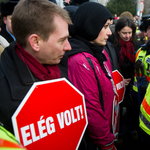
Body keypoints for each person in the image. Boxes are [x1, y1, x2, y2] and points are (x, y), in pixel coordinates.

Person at [0, 0, 72, 135]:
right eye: (62, 40)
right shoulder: (3, 90)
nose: (69, 47)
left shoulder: (63, 63)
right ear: (35, 42)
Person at [66, 2, 117, 150]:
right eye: (105, 26)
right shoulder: (80, 61)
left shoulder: (99, 51)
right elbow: (91, 108)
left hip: (106, 130)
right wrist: (106, 143)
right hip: (94, 141)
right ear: (90, 25)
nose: (110, 32)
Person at [113, 17, 142, 144]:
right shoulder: (112, 44)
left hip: (133, 81)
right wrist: (119, 80)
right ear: (118, 31)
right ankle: (118, 132)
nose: (127, 36)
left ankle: (131, 129)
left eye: (130, 33)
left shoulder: (137, 44)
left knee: (132, 107)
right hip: (117, 81)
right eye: (124, 33)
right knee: (117, 108)